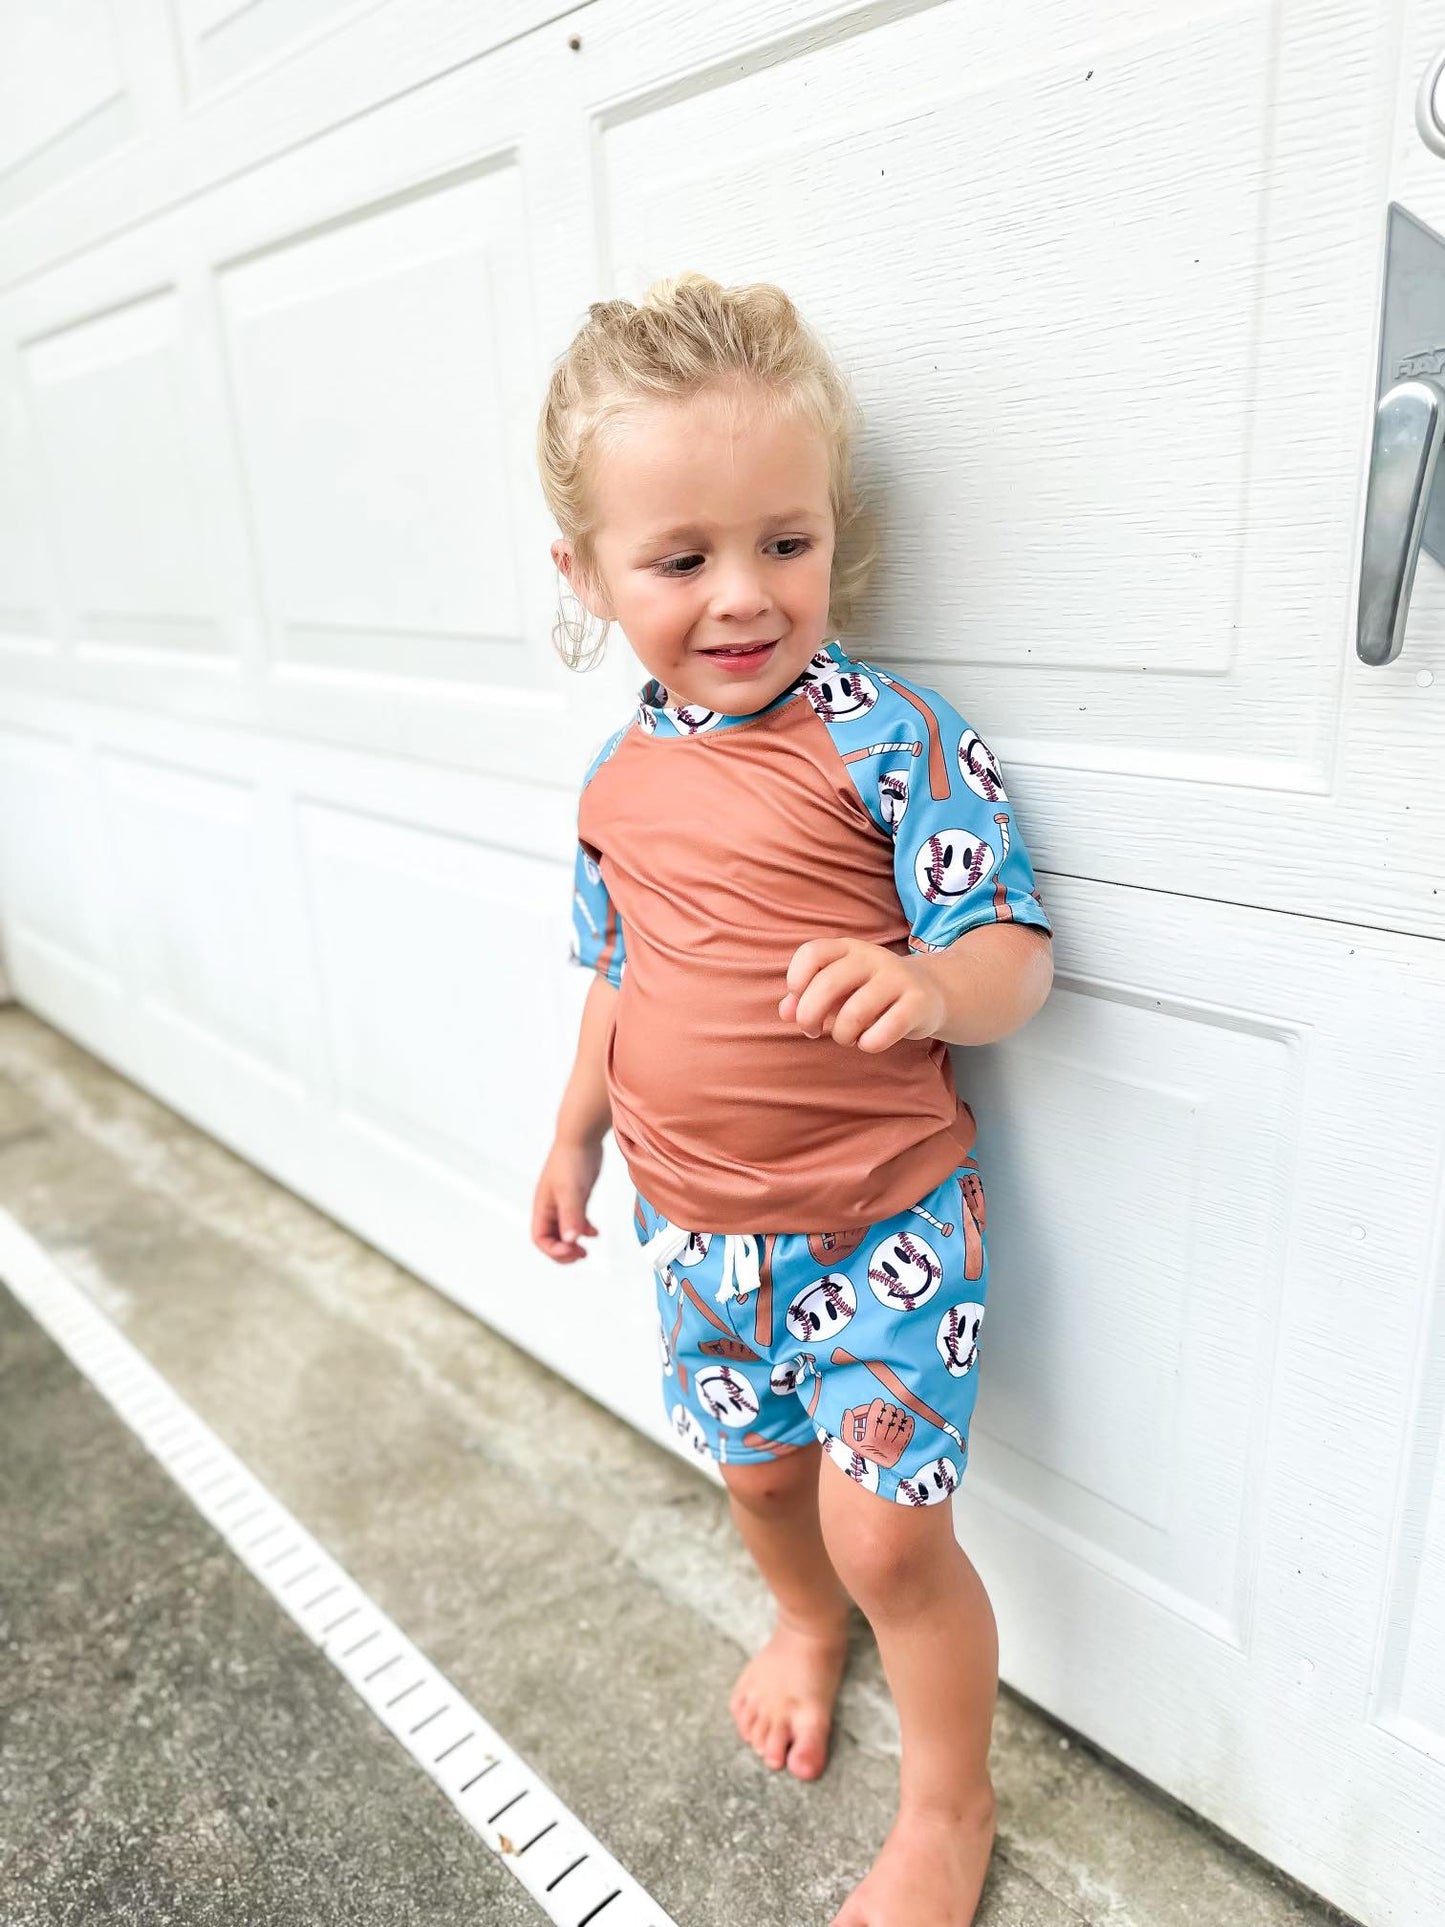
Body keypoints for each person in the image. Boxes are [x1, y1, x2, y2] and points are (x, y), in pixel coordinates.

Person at [530, 273, 1054, 1927]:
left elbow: (1012, 953)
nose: (743, 595)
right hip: (695, 1231)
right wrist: (571, 1134)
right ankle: (801, 1624)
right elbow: (615, 976)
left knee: (891, 1537)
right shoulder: (618, 778)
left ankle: (948, 1811)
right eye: (681, 559)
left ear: (832, 531)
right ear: (587, 574)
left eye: (786, 541)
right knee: (758, 1481)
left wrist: (925, 986)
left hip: (880, 1223)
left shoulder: (890, 741)